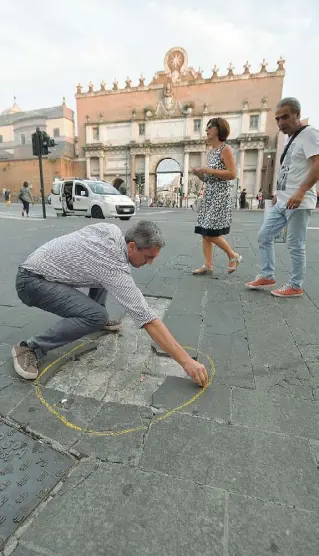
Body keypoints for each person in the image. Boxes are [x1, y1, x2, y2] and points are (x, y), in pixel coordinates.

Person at [12, 221, 208, 388]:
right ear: (131, 246)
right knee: (96, 315)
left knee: (100, 274)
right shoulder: (113, 266)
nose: (150, 263)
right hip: (31, 282)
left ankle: (96, 316)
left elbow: (88, 250)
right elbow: (148, 318)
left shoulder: (112, 231)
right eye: (148, 257)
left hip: (39, 266)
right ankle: (30, 348)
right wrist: (186, 362)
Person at [246, 97, 319, 298]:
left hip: (299, 201)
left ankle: (296, 285)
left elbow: (317, 164)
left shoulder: (310, 134)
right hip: (284, 199)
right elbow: (290, 169)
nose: (280, 123)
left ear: (297, 114)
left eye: (285, 117)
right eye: (277, 119)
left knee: (296, 244)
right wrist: (279, 191)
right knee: (264, 235)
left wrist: (301, 191)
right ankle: (267, 274)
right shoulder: (290, 138)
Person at [192, 117, 242, 275]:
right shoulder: (211, 152)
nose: (206, 130)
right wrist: (200, 174)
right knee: (204, 232)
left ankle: (233, 256)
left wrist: (209, 170)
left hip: (220, 195)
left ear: (219, 129)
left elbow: (232, 174)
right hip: (210, 194)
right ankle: (208, 265)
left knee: (211, 232)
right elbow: (208, 178)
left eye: (210, 127)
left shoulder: (225, 149)